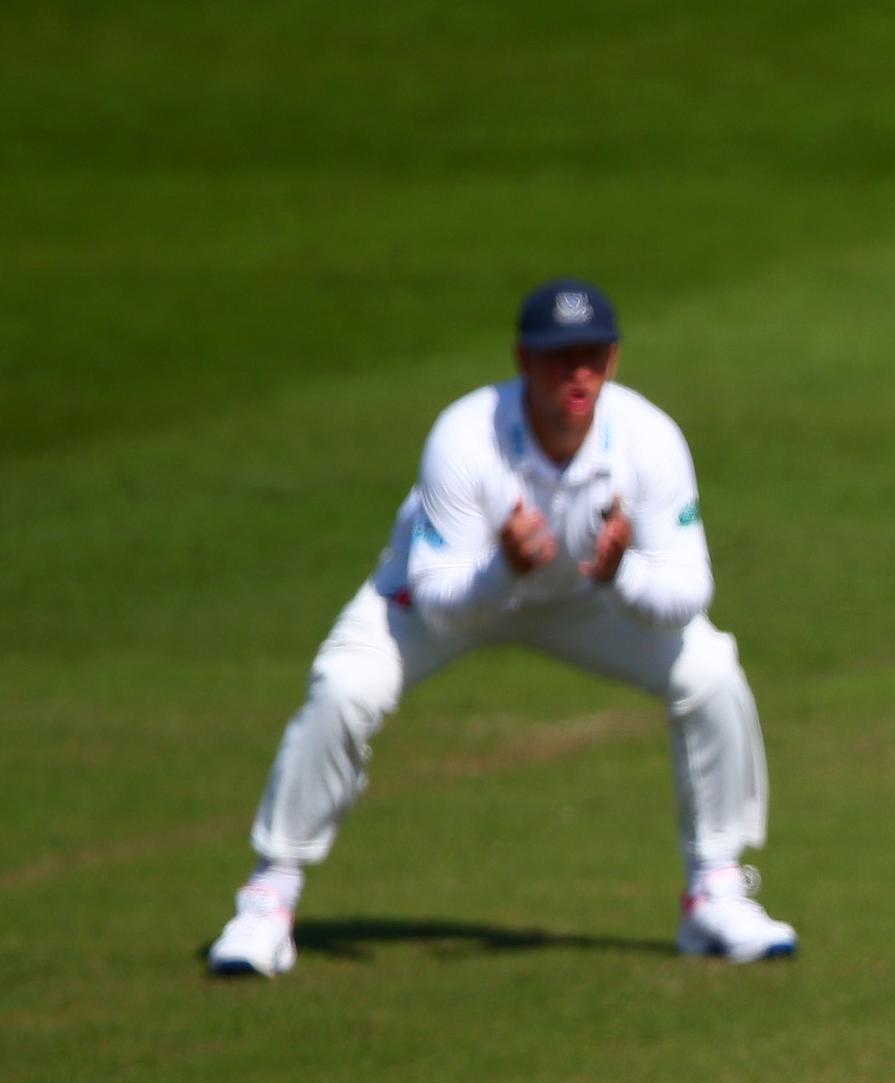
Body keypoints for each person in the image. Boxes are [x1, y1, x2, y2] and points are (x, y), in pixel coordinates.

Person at [204, 278, 795, 975]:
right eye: (557, 355)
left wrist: (619, 576)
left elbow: (690, 591)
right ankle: (268, 900)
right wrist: (503, 571)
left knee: (711, 674)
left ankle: (714, 893)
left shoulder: (649, 439)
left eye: (591, 355)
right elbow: (438, 602)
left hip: (585, 597)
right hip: (454, 588)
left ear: (612, 361)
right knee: (343, 688)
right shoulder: (465, 437)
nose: (575, 372)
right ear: (522, 360)